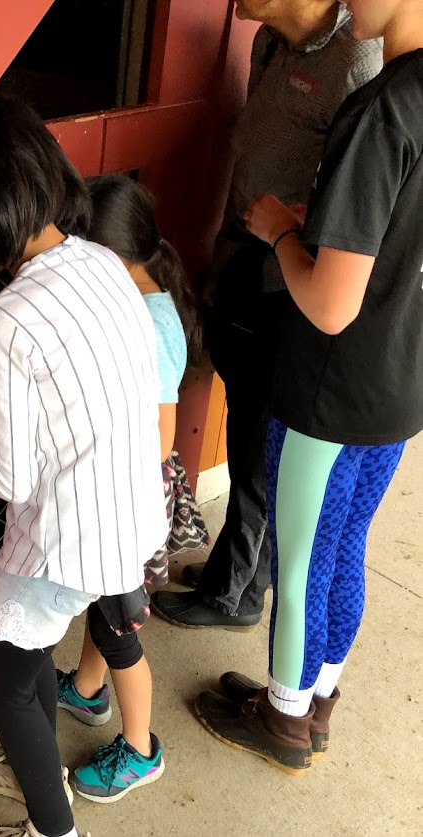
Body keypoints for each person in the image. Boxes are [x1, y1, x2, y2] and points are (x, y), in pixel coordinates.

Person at [0, 97, 168, 837]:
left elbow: (11, 477)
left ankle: (54, 829)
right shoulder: (97, 260)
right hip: (125, 514)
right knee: (22, 662)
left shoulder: (7, 317)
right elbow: (78, 389)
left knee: (0, 680)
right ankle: (35, 762)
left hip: (66, 536)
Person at [194, 0, 423, 774]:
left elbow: (329, 305)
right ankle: (319, 695)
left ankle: (283, 717)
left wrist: (281, 233)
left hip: (330, 388)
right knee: (344, 543)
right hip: (400, 383)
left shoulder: (381, 106)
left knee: (300, 562)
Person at [152, 0, 383, 630]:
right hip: (244, 255)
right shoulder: (267, 44)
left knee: (260, 440)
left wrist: (289, 236)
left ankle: (235, 596)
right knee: (248, 405)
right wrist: (225, 248)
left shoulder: (359, 62)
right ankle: (237, 568)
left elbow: (360, 194)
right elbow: (250, 161)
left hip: (292, 276)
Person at [53, 174, 200, 804]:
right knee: (105, 605)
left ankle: (140, 751)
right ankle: (87, 692)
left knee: (120, 629)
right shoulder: (146, 300)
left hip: (129, 503)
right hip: (126, 497)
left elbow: (160, 440)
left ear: (110, 257)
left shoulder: (148, 322)